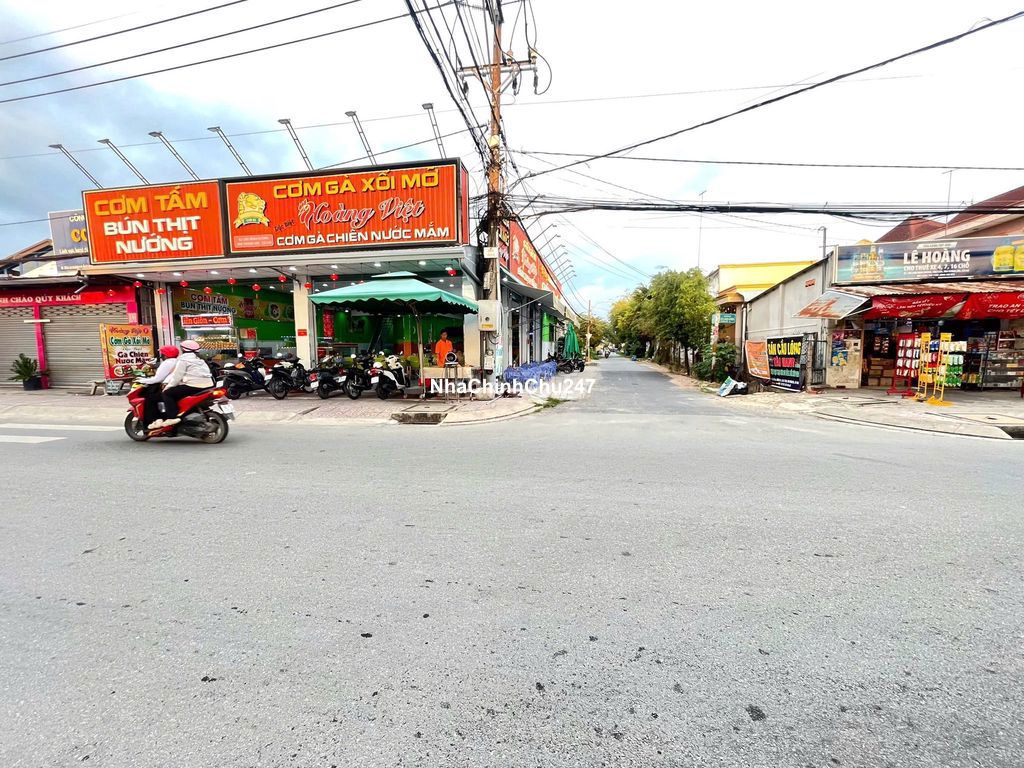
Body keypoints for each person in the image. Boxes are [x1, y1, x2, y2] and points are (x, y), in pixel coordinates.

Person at [149, 340, 215, 429]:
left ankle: (172, 417)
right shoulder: (200, 360)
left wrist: (168, 387)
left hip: (195, 386)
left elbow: (177, 377)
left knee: (167, 393)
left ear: (183, 349)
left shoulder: (183, 360)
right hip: (208, 385)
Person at [136, 345, 179, 428]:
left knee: (150, 398)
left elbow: (158, 379)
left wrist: (142, 380)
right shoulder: (178, 361)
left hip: (169, 386)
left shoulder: (167, 363)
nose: (161, 356)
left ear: (166, 355)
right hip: (177, 385)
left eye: (162, 354)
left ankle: (156, 419)